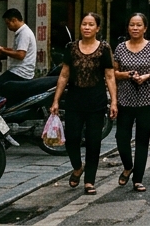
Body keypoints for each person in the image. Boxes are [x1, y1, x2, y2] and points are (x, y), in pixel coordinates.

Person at [50, 12, 117, 195]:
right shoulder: (71, 48)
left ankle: (89, 181)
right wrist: (56, 100)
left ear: (97, 28)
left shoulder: (104, 48)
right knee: (72, 138)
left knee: (94, 142)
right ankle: (78, 167)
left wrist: (114, 102)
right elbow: (64, 74)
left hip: (96, 101)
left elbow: (110, 76)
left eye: (90, 24)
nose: (86, 27)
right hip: (74, 100)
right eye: (84, 24)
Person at [112, 13, 150, 192]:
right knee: (121, 137)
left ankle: (138, 179)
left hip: (146, 99)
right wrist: (127, 75)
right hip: (125, 99)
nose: (135, 28)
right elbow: (113, 73)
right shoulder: (120, 48)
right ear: (128, 27)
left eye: (138, 25)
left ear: (145, 28)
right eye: (132, 25)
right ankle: (128, 166)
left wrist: (146, 77)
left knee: (142, 140)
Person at [0, 8, 37, 91]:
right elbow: (17, 50)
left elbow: (20, 55)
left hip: (20, 72)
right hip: (19, 71)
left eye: (8, 24)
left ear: (14, 20)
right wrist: (2, 48)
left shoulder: (24, 33)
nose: (8, 27)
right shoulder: (22, 32)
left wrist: (2, 51)